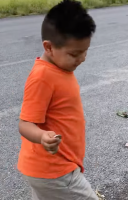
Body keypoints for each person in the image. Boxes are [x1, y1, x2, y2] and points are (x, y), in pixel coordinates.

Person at [17, 0, 98, 199]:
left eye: (85, 51)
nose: (82, 58)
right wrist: (42, 136)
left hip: (50, 169)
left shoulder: (60, 68)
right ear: (49, 47)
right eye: (75, 54)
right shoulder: (42, 77)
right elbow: (25, 123)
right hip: (55, 171)